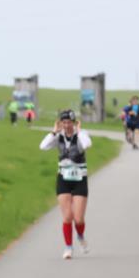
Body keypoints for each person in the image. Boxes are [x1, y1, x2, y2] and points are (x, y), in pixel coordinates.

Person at [40, 109, 92, 259]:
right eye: (64, 123)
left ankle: (81, 236)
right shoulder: (58, 137)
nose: (67, 125)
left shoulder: (81, 136)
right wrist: (53, 132)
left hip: (79, 179)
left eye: (69, 122)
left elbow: (87, 144)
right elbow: (42, 146)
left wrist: (80, 131)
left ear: (74, 123)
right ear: (61, 123)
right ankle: (68, 247)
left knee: (79, 218)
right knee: (67, 216)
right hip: (63, 178)